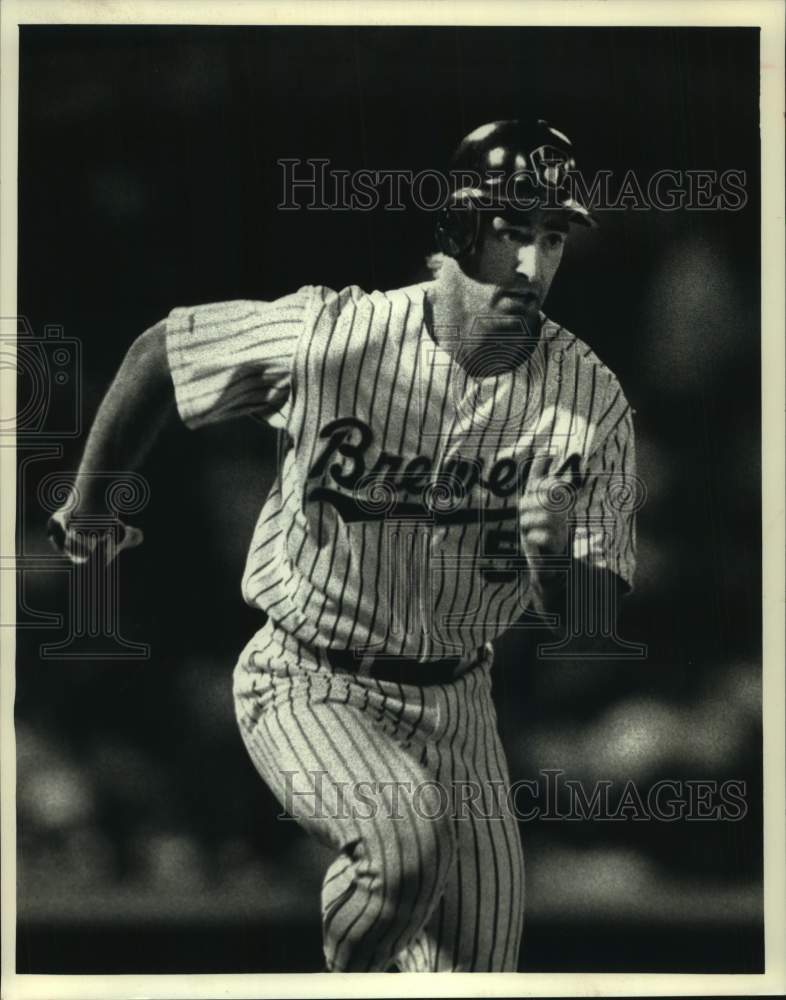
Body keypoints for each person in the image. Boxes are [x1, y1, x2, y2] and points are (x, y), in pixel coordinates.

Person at [48, 119, 637, 972]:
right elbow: (163, 353)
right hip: (311, 674)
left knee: (480, 975)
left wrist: (558, 570)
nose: (534, 266)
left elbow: (600, 614)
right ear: (458, 229)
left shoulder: (592, 402)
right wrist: (91, 504)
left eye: (552, 237)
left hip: (460, 701)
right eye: (513, 231)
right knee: (402, 845)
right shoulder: (339, 338)